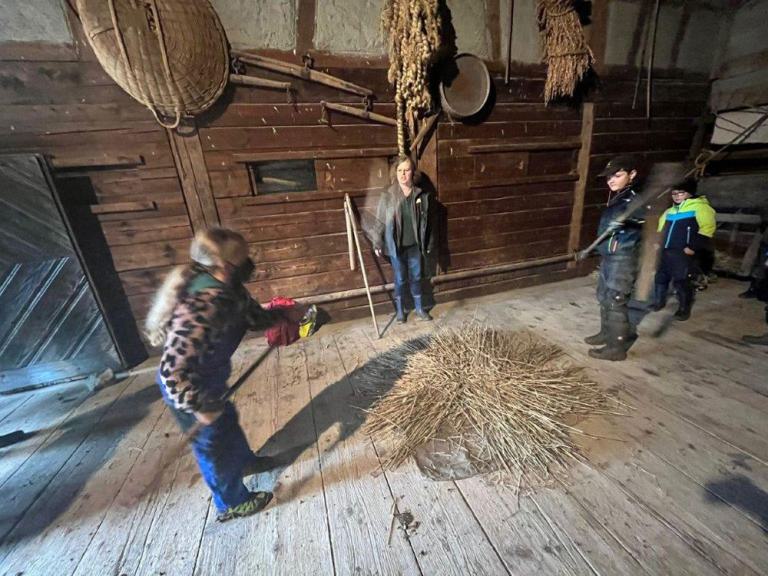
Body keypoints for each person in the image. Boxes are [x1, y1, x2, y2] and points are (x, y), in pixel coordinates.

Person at [145, 228, 286, 522]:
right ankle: (231, 502)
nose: (249, 261)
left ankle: (244, 462)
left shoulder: (229, 288)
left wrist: (284, 315)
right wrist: (198, 406)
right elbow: (172, 371)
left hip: (210, 377)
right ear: (224, 265)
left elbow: (252, 316)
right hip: (187, 387)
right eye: (243, 258)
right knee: (213, 444)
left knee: (228, 424)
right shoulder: (204, 304)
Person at [585, 156, 647, 361]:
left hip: (624, 256)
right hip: (610, 254)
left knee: (615, 300)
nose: (611, 180)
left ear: (633, 174)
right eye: (609, 177)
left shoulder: (637, 197)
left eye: (617, 175)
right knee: (603, 295)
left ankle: (616, 347)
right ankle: (606, 332)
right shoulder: (619, 196)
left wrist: (631, 218)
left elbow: (646, 215)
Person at [373, 155, 434, 323]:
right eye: (399, 170)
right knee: (400, 278)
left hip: (415, 245)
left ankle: (420, 309)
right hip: (396, 246)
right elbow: (379, 220)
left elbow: (428, 223)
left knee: (416, 276)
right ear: (395, 173)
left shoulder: (421, 195)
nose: (403, 174)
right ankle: (401, 311)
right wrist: (377, 242)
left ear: (412, 172)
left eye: (406, 170)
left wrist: (429, 243)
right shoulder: (388, 195)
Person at [653, 178, 716, 320]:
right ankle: (658, 302)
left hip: (682, 251)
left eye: (681, 193)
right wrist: (658, 242)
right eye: (674, 193)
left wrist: (693, 247)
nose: (676, 196)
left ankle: (683, 308)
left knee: (681, 280)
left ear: (689, 193)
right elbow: (660, 229)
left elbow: (707, 229)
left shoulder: (700, 208)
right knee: (661, 277)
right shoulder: (669, 211)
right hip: (666, 250)